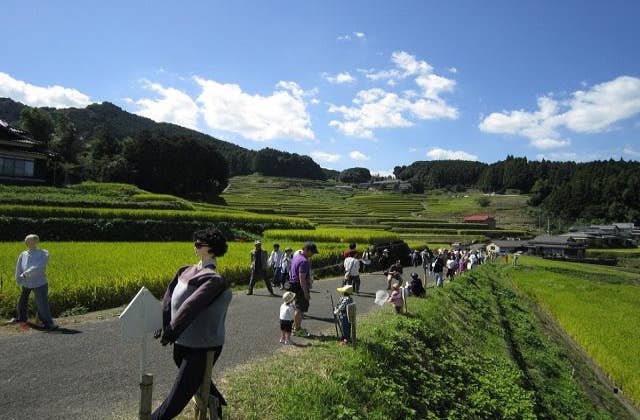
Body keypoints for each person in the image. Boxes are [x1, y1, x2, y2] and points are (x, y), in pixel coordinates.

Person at [152, 228, 232, 420]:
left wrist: (171, 331)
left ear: (211, 250)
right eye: (195, 243)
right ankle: (217, 406)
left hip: (203, 347)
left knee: (177, 398)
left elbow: (192, 305)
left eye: (199, 244)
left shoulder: (214, 280)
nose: (194, 247)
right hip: (181, 345)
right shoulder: (185, 270)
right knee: (198, 383)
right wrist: (163, 325)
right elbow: (168, 299)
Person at [12, 234, 57, 330]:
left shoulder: (43, 253)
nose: (28, 242)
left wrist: (26, 273)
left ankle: (48, 323)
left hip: (39, 282)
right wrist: (18, 278)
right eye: (27, 241)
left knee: (42, 303)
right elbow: (18, 267)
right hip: (26, 282)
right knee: (22, 301)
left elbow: (39, 266)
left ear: (36, 242)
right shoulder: (23, 254)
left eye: (31, 241)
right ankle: (22, 318)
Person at [288, 242, 319, 336]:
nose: (313, 255)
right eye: (312, 252)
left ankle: (295, 327)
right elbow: (302, 278)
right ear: (307, 250)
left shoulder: (297, 256)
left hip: (293, 284)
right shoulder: (304, 261)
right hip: (299, 286)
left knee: (298, 306)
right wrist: (306, 292)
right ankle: (297, 329)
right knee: (300, 308)